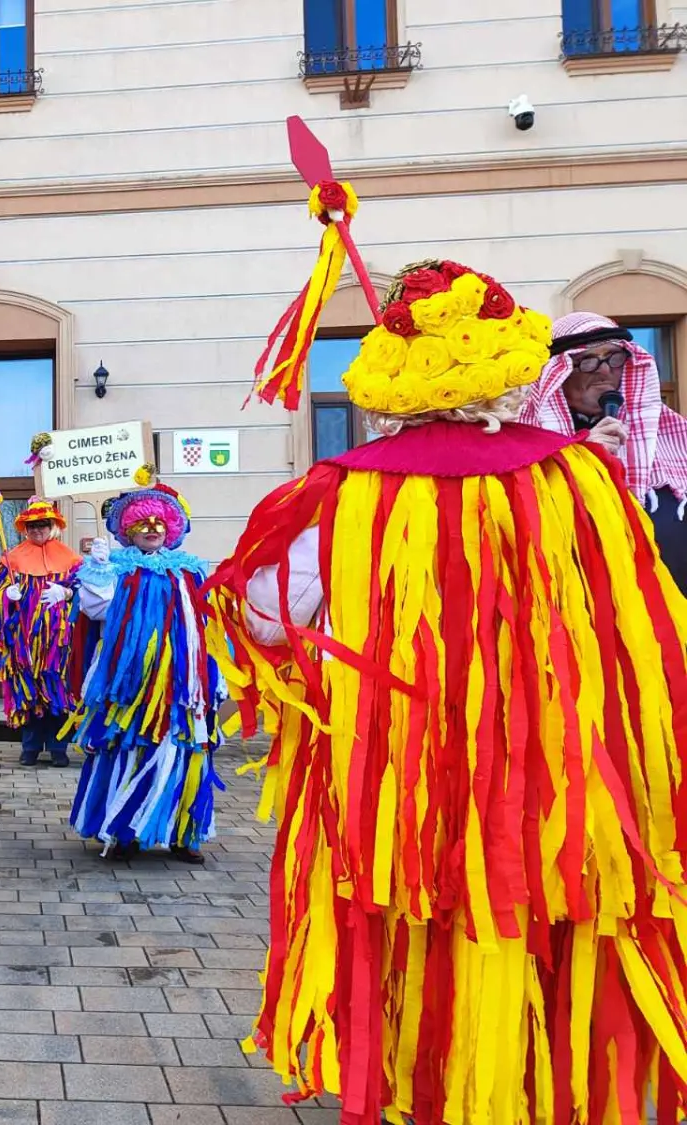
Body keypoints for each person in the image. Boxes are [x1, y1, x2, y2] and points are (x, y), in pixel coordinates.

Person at [207, 260, 687, 1125]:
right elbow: (635, 626)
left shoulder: (345, 490)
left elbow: (270, 620)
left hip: (399, 769)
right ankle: (524, 1088)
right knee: (533, 905)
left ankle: (434, 1085)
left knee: (414, 917)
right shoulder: (579, 479)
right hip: (549, 764)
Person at [67, 470, 223, 863]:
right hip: (130, 684)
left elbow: (208, 623)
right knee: (129, 746)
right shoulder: (118, 568)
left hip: (183, 686)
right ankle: (124, 831)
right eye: (142, 523)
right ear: (128, 530)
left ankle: (183, 834)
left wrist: (214, 675)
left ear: (171, 529)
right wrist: (98, 571)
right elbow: (94, 609)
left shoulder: (190, 571)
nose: (151, 529)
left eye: (158, 523)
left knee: (186, 749)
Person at [519, 310, 687, 592]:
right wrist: (578, 460)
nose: (605, 370)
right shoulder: (522, 440)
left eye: (614, 357)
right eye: (588, 360)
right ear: (557, 373)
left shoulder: (673, 434)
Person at [0, 498, 82, 767]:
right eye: (32, 526)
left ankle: (58, 748)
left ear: (52, 526)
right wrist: (5, 594)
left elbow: (89, 595)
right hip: (23, 642)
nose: (37, 530)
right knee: (26, 690)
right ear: (24, 529)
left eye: (42, 525)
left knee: (57, 690)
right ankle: (29, 747)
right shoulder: (11, 558)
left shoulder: (71, 559)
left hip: (59, 643)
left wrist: (67, 592)